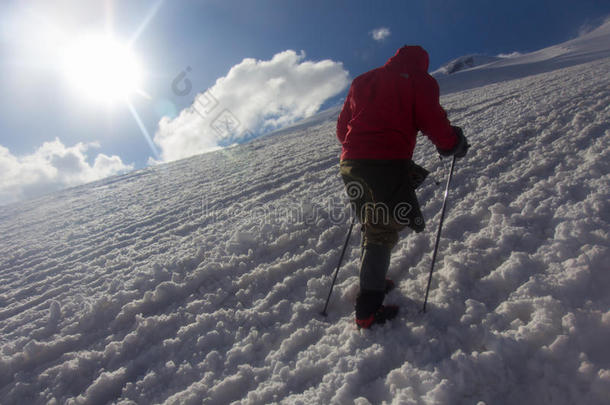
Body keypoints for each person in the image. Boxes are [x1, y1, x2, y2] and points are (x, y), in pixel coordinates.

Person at [336, 45, 469, 329]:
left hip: (351, 162)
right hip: (384, 162)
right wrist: (451, 143)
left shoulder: (363, 80)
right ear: (423, 63)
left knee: (373, 221)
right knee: (382, 227)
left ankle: (372, 278)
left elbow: (342, 128)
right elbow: (431, 118)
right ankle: (368, 310)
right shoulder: (420, 80)